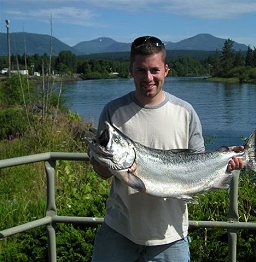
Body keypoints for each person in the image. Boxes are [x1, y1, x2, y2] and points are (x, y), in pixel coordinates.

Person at [90, 35, 244, 262]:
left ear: (166, 70)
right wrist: (97, 158)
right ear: (131, 70)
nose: (148, 77)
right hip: (119, 230)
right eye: (141, 70)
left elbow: (198, 166)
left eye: (154, 70)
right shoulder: (113, 112)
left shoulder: (185, 112)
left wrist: (225, 163)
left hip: (171, 236)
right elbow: (103, 173)